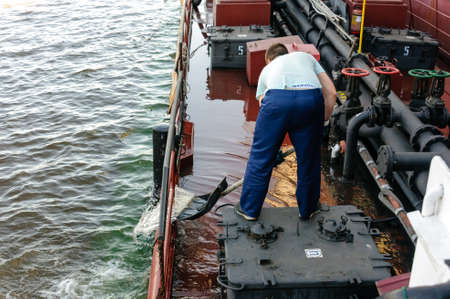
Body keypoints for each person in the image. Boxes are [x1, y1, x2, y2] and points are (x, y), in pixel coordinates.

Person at [235, 43, 337, 221]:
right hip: (310, 99)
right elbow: (331, 93)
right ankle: (308, 209)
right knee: (309, 160)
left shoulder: (267, 70)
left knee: (260, 158)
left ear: (269, 59)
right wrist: (322, 122)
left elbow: (263, 104)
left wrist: (272, 149)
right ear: (287, 53)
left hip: (276, 99)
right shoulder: (306, 57)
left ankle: (249, 210)